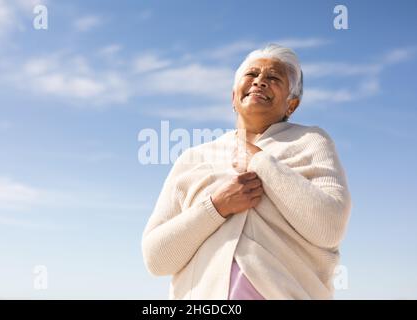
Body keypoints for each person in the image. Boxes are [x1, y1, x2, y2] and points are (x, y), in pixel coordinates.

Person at [141, 44, 352, 300]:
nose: (260, 81)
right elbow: (156, 259)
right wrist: (216, 207)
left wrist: (260, 161)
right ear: (233, 97)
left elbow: (328, 227)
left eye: (274, 78)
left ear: (291, 105)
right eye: (252, 75)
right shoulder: (192, 159)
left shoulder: (311, 141)